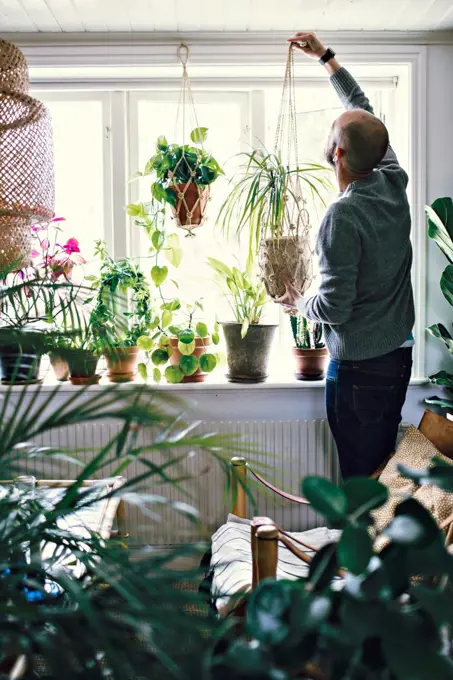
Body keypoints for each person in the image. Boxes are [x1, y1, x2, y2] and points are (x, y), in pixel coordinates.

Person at [276, 32, 414, 479]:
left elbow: (334, 306)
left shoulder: (343, 216)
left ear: (337, 152)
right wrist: (326, 59)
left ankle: (359, 549)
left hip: (359, 371)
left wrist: (298, 302)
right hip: (397, 360)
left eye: (333, 130)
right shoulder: (392, 178)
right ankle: (380, 547)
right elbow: (365, 113)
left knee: (360, 483)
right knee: (383, 476)